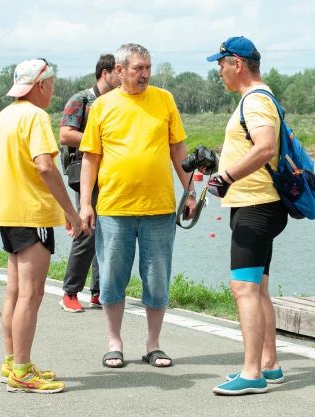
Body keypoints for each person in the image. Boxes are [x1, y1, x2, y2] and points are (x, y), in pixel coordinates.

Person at [78, 43, 197, 369]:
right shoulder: (102, 106)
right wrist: (85, 204)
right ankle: (114, 342)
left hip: (158, 208)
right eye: (137, 69)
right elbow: (90, 158)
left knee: (157, 278)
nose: (144, 74)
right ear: (119, 70)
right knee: (113, 277)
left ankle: (153, 344)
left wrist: (190, 191)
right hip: (114, 208)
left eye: (148, 68)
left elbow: (178, 150)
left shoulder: (164, 100)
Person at [0, 58, 83, 394]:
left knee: (15, 292)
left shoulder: (4, 117)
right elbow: (46, 167)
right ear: (41, 84)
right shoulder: (35, 117)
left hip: (6, 213)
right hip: (33, 215)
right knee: (32, 294)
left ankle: (13, 362)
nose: (53, 91)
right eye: (52, 84)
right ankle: (23, 372)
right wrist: (71, 213)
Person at [205, 36, 288, 395]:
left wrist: (227, 176)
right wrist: (219, 164)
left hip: (255, 207)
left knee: (244, 290)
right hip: (260, 204)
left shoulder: (254, 101)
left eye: (221, 64)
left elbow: (265, 146)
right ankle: (269, 364)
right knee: (259, 288)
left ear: (237, 63)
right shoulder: (257, 98)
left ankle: (251, 373)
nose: (219, 72)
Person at [59, 54, 120, 313]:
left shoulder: (119, 102)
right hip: (86, 174)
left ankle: (99, 292)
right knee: (87, 230)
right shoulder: (82, 100)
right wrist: (95, 139)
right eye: (119, 71)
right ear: (105, 73)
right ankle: (70, 292)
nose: (123, 75)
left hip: (114, 175)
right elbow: (65, 134)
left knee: (107, 234)